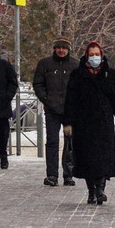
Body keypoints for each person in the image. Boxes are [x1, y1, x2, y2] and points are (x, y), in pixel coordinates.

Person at [63, 41, 115, 204]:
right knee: (86, 158)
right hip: (83, 123)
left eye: (97, 55)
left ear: (102, 56)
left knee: (103, 157)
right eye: (91, 55)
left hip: (103, 123)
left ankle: (100, 189)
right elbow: (70, 99)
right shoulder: (78, 74)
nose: (94, 57)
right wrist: (68, 123)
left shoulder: (110, 74)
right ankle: (91, 190)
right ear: (86, 56)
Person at [33, 37, 80, 186]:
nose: (61, 50)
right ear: (54, 48)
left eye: (64, 48)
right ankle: (52, 175)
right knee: (52, 142)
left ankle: (69, 174)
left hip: (70, 111)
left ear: (68, 49)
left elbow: (81, 85)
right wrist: (46, 99)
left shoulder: (75, 64)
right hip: (52, 109)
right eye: (58, 47)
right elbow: (38, 83)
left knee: (70, 143)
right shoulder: (45, 63)